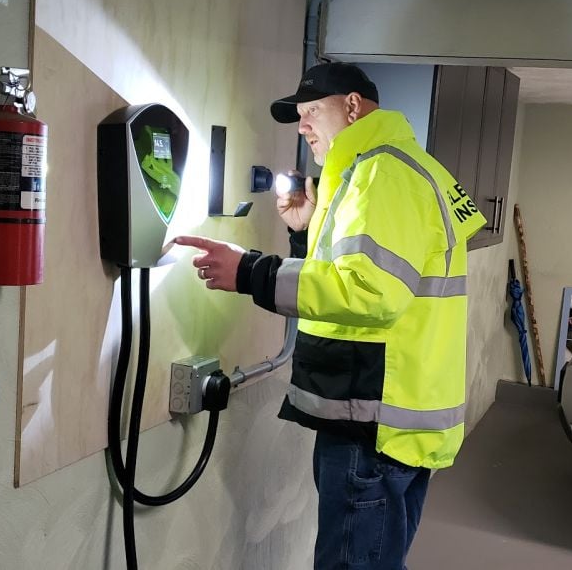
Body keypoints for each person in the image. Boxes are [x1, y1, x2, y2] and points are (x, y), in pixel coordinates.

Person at [173, 62, 486, 569]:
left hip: (374, 420)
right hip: (394, 413)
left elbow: (369, 294)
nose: (302, 126)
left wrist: (249, 271)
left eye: (311, 111)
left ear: (354, 105)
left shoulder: (382, 173)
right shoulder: (394, 168)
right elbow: (361, 275)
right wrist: (304, 231)